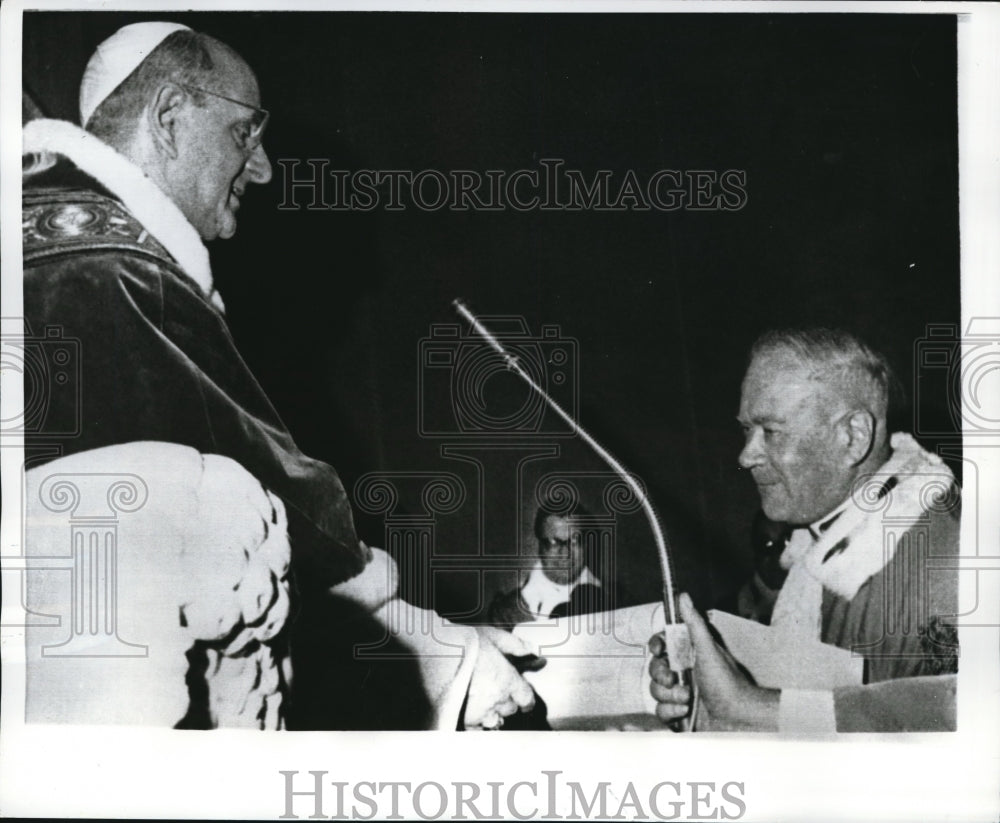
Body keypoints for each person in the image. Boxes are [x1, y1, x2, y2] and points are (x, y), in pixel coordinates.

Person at [21, 21, 536, 731]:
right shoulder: (107, 269)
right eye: (244, 133)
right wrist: (432, 641)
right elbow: (261, 475)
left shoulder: (50, 238)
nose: (261, 168)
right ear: (169, 118)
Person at [649, 328, 959, 732]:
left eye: (771, 432)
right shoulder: (815, 535)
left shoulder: (948, 560)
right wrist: (706, 701)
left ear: (853, 436)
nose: (745, 456)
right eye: (747, 430)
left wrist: (746, 705)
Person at [488, 504, 615, 630]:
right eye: (553, 542)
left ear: (586, 545)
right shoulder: (505, 614)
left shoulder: (615, 600)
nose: (565, 553)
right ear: (539, 547)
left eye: (575, 540)